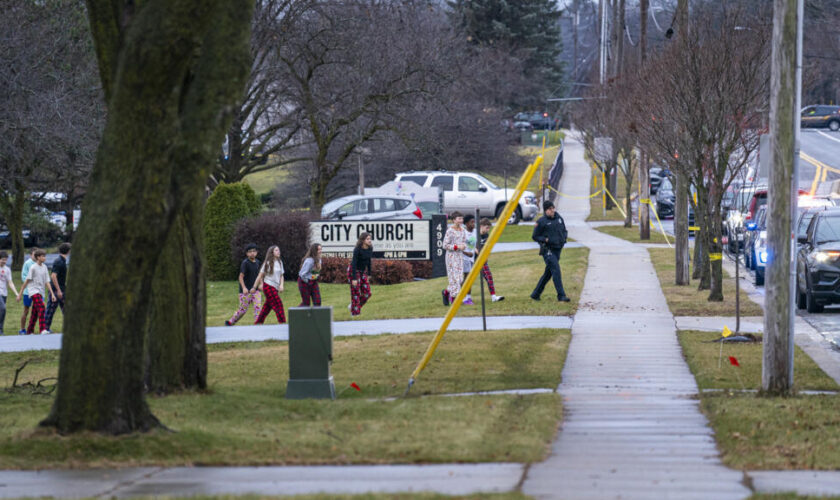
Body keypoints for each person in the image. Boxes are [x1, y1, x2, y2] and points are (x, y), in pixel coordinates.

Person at [530, 201, 570, 302]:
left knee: (548, 273)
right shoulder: (541, 221)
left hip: (558, 249)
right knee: (556, 270)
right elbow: (535, 236)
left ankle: (536, 294)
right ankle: (561, 295)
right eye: (550, 209)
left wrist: (564, 238)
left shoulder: (559, 218)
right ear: (546, 210)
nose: (552, 210)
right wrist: (545, 240)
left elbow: (564, 230)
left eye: (553, 208)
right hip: (548, 250)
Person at [18, 249, 55, 334]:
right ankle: (42, 329)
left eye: (45, 256)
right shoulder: (33, 267)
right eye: (43, 256)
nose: (45, 258)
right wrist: (20, 294)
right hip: (33, 291)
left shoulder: (45, 267)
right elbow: (26, 281)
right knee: (42, 307)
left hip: (41, 292)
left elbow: (47, 282)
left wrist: (52, 294)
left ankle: (30, 330)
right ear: (38, 257)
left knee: (35, 312)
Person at [225, 243, 262, 326]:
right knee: (242, 310)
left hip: (255, 290)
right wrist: (244, 288)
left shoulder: (258, 262)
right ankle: (231, 322)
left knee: (258, 307)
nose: (252, 253)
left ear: (257, 252)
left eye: (254, 251)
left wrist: (261, 284)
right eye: (250, 252)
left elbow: (260, 275)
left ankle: (258, 325)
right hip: (245, 291)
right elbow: (241, 277)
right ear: (247, 253)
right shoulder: (245, 263)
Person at [254, 245, 286, 324]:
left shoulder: (280, 262)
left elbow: (281, 276)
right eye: (276, 250)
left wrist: (281, 285)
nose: (278, 251)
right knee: (278, 304)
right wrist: (254, 287)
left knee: (267, 307)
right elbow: (260, 275)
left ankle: (258, 323)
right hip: (268, 286)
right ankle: (282, 323)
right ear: (272, 252)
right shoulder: (267, 263)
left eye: (278, 250)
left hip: (275, 287)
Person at [442, 211, 467, 306]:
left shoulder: (463, 230)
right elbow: (445, 245)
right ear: (454, 220)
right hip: (451, 257)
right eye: (459, 219)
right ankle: (454, 299)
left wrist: (464, 246)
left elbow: (465, 241)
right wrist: (456, 247)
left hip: (460, 257)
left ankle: (446, 292)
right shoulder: (450, 231)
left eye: (462, 218)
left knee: (460, 279)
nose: (461, 220)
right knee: (454, 278)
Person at [45, 242, 70, 332]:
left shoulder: (62, 261)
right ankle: (45, 329)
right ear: (68, 251)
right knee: (50, 310)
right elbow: (53, 276)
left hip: (62, 289)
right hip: (56, 290)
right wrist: (59, 290)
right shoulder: (59, 261)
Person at [479, 218, 504, 302]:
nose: (488, 230)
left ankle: (493, 297)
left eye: (489, 228)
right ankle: (464, 297)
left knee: (489, 276)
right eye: (486, 228)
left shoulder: (486, 235)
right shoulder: (474, 234)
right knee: (465, 280)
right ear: (481, 226)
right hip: (472, 259)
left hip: (482, 260)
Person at [348, 232, 373, 316]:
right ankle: (355, 314)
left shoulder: (370, 248)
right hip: (353, 271)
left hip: (363, 272)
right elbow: (354, 263)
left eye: (370, 239)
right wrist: (354, 278)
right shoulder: (357, 249)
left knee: (367, 293)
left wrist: (369, 274)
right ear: (363, 240)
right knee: (356, 293)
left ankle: (353, 306)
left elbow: (369, 261)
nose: (370, 240)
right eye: (368, 239)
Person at [0, 251, 20, 334]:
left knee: (2, 311)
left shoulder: (7, 269)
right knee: (3, 308)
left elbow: (10, 282)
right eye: (2, 260)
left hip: (4, 293)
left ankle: (1, 329)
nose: (4, 261)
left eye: (6, 260)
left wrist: (16, 293)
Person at [18, 248, 37, 335]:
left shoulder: (39, 263)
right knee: (26, 310)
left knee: (37, 310)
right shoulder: (27, 263)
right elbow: (23, 277)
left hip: (37, 291)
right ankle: (22, 329)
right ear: (30, 255)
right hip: (28, 291)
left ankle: (31, 329)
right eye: (34, 254)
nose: (36, 256)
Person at [460, 214, 477, 305]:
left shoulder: (475, 232)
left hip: (470, 258)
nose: (473, 224)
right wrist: (466, 253)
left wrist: (473, 252)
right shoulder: (463, 233)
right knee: (467, 279)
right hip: (464, 258)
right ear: (466, 224)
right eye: (471, 222)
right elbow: (460, 247)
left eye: (474, 222)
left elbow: (473, 246)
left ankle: (453, 293)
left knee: (466, 279)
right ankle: (467, 298)